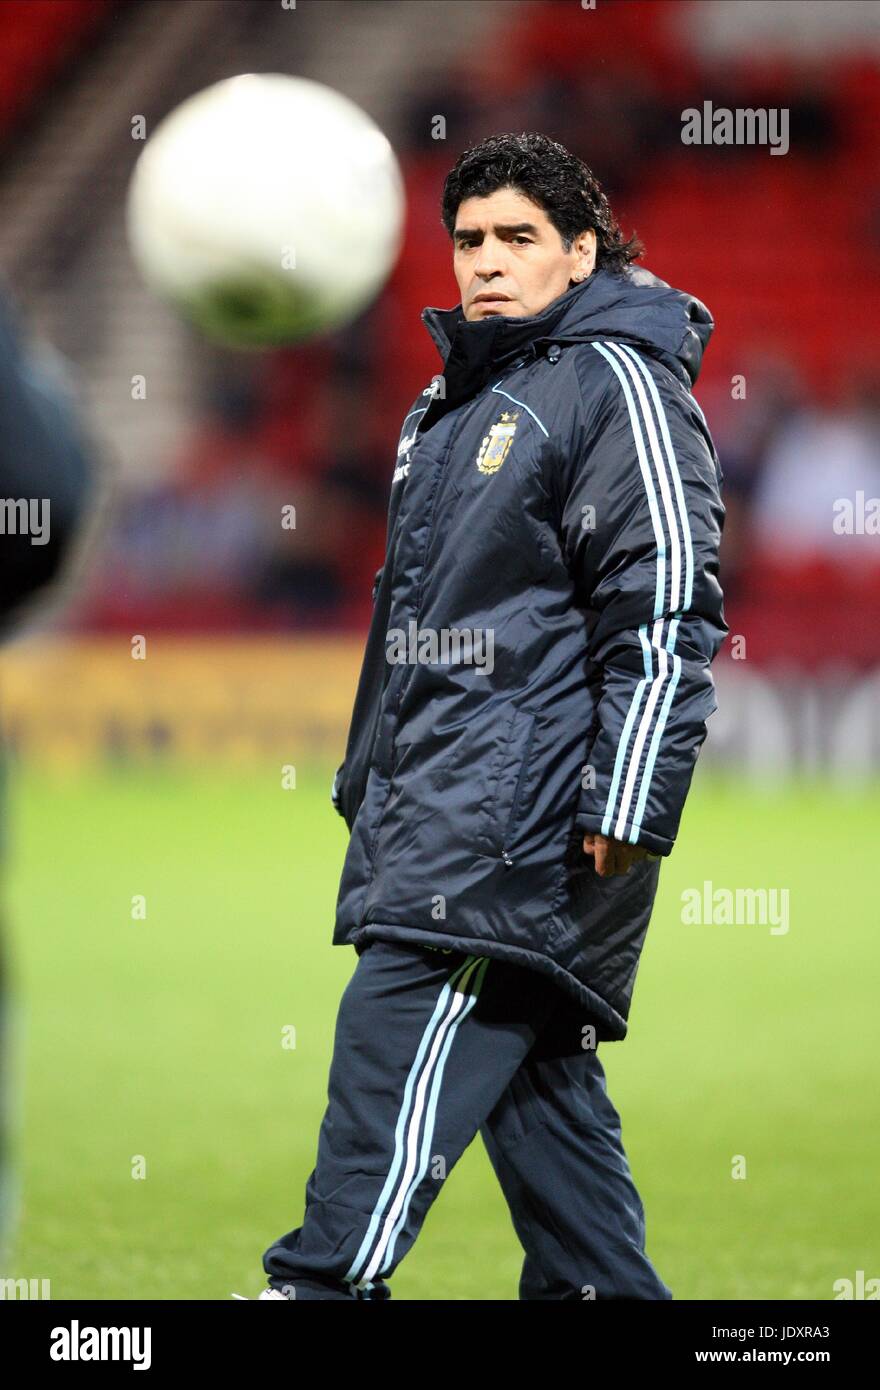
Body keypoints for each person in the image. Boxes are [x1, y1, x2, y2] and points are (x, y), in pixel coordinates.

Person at [254, 132, 726, 1301]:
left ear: (581, 252)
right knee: (550, 1138)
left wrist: (628, 796)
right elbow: (420, 627)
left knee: (385, 1066)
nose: (486, 261)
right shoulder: (450, 406)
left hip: (519, 830)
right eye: (468, 239)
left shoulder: (614, 379)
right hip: (442, 813)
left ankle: (313, 1290)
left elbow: (665, 598)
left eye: (518, 237)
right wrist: (373, 778)